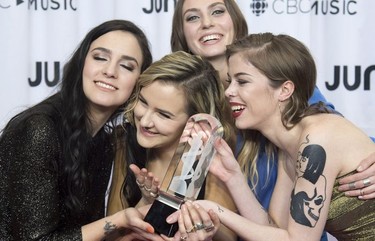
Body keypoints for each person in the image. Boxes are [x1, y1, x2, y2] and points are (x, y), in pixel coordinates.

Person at [170, 0, 375, 227]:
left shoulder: (279, 83)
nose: (207, 23)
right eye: (192, 17)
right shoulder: (184, 104)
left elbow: (343, 143)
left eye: (217, 11)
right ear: (181, 33)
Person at [0, 19, 162, 240]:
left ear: (139, 83)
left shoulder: (104, 142)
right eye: (100, 57)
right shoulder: (38, 130)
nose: (110, 71)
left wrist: (143, 207)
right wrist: (121, 219)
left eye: (126, 66)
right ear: (81, 63)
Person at [107, 50, 237, 241]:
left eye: (163, 115)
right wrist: (147, 201)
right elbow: (112, 234)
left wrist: (201, 230)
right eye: (143, 102)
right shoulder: (124, 139)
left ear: (196, 121)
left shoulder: (213, 155)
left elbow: (227, 237)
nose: (145, 121)